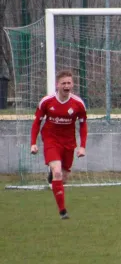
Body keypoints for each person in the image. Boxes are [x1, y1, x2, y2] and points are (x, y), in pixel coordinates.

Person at [30, 70, 88, 219]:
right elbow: (37, 122)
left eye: (69, 83)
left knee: (64, 177)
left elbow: (83, 125)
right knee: (57, 172)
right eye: (63, 83)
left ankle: (53, 175)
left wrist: (82, 146)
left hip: (68, 142)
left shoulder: (78, 104)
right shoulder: (47, 102)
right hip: (51, 140)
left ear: (72, 84)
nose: (66, 86)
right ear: (57, 85)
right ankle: (62, 211)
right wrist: (33, 143)